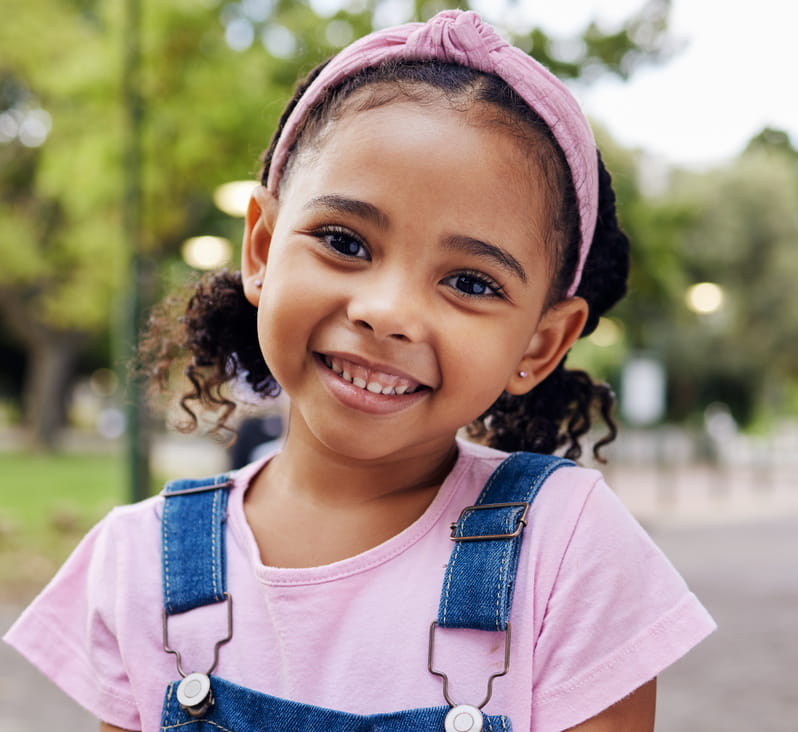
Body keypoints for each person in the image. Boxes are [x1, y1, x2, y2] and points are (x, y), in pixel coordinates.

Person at [4, 10, 715, 732]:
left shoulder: (568, 553)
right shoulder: (143, 560)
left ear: (540, 343)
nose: (386, 312)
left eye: (470, 282)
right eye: (344, 241)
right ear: (262, 246)